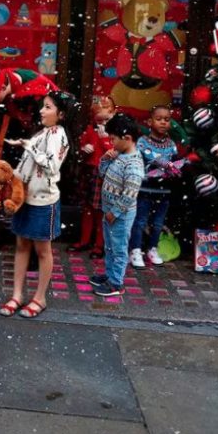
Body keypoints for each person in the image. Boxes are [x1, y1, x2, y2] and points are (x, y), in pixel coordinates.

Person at [0, 91, 76, 319]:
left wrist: (29, 147)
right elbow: (28, 164)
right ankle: (17, 295)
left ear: (61, 114)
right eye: (43, 106)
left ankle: (40, 298)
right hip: (24, 198)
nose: (42, 111)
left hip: (44, 201)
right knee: (21, 245)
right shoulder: (43, 132)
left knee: (43, 250)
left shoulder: (59, 135)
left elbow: (51, 166)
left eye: (48, 107)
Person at [89, 113, 144, 297]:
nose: (111, 142)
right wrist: (105, 159)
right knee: (110, 246)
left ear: (127, 138)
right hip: (110, 212)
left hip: (120, 215)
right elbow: (103, 173)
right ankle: (110, 274)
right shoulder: (119, 155)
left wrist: (116, 211)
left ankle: (116, 284)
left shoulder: (134, 164)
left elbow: (130, 193)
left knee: (119, 248)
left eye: (113, 138)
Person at [0, 63, 58, 166]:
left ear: (2, 87)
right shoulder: (0, 86)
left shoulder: (39, 92)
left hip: (45, 132)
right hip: (19, 126)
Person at [129, 104, 181, 268]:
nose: (163, 123)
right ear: (149, 122)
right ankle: (135, 249)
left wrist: (176, 169)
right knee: (140, 221)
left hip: (163, 190)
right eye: (158, 119)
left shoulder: (171, 144)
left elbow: (174, 162)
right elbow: (143, 157)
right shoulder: (142, 142)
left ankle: (152, 248)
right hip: (145, 189)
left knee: (158, 222)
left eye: (167, 119)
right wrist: (159, 163)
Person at [68, 96, 116, 258]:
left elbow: (113, 153)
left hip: (105, 174)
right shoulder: (90, 129)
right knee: (87, 209)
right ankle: (84, 240)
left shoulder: (115, 133)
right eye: (99, 120)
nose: (102, 123)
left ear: (113, 114)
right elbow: (81, 145)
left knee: (101, 211)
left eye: (106, 119)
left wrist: (104, 140)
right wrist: (83, 148)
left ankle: (99, 245)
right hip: (89, 172)